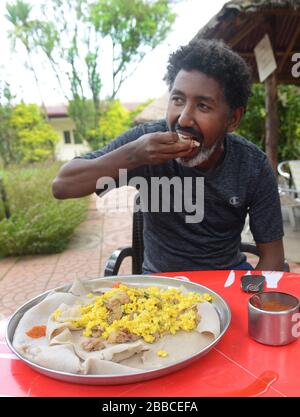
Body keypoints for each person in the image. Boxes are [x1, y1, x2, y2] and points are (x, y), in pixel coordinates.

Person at [52, 39, 285, 273]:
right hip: (159, 286)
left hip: (225, 279)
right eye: (178, 100)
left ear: (233, 119)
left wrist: (248, 298)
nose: (183, 118)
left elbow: (273, 258)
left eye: (203, 106)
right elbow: (63, 185)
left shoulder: (252, 166)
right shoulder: (145, 142)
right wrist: (134, 155)